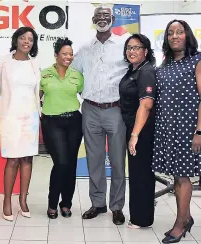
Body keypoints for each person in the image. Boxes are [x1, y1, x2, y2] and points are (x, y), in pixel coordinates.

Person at [72, 4, 129, 225]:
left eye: (106, 15)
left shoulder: (124, 45)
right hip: (90, 110)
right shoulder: (85, 47)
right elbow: (73, 72)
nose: (102, 18)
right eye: (99, 15)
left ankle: (116, 206)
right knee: (94, 160)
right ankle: (97, 203)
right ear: (93, 19)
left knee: (116, 161)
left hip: (116, 110)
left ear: (113, 19)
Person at [152, 19, 201, 243]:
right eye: (170, 33)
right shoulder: (166, 65)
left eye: (179, 32)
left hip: (187, 129)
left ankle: (181, 223)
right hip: (167, 129)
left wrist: (199, 131)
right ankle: (187, 216)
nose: (174, 36)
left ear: (187, 35)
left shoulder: (197, 61)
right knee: (176, 174)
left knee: (182, 176)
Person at [0, 27, 41, 221]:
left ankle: (23, 200)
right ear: (16, 40)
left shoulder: (35, 63)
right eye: (22, 38)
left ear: (33, 43)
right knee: (12, 160)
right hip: (9, 117)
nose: (26, 42)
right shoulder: (3, 61)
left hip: (30, 118)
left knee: (27, 160)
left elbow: (37, 91)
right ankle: (7, 201)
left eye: (30, 39)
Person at [40, 38, 83, 219]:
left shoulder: (77, 75)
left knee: (71, 164)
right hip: (52, 122)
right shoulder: (44, 74)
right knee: (61, 162)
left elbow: (86, 95)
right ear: (56, 55)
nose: (69, 57)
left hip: (74, 121)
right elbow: (36, 97)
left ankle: (66, 204)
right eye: (64, 53)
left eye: (71, 54)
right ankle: (52, 203)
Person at [119, 34, 156, 229]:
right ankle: (139, 216)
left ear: (145, 51)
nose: (132, 51)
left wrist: (135, 135)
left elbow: (146, 105)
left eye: (136, 47)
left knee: (141, 175)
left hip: (142, 131)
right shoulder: (134, 70)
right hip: (133, 128)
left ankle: (142, 219)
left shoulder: (146, 72)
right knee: (136, 173)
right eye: (129, 48)